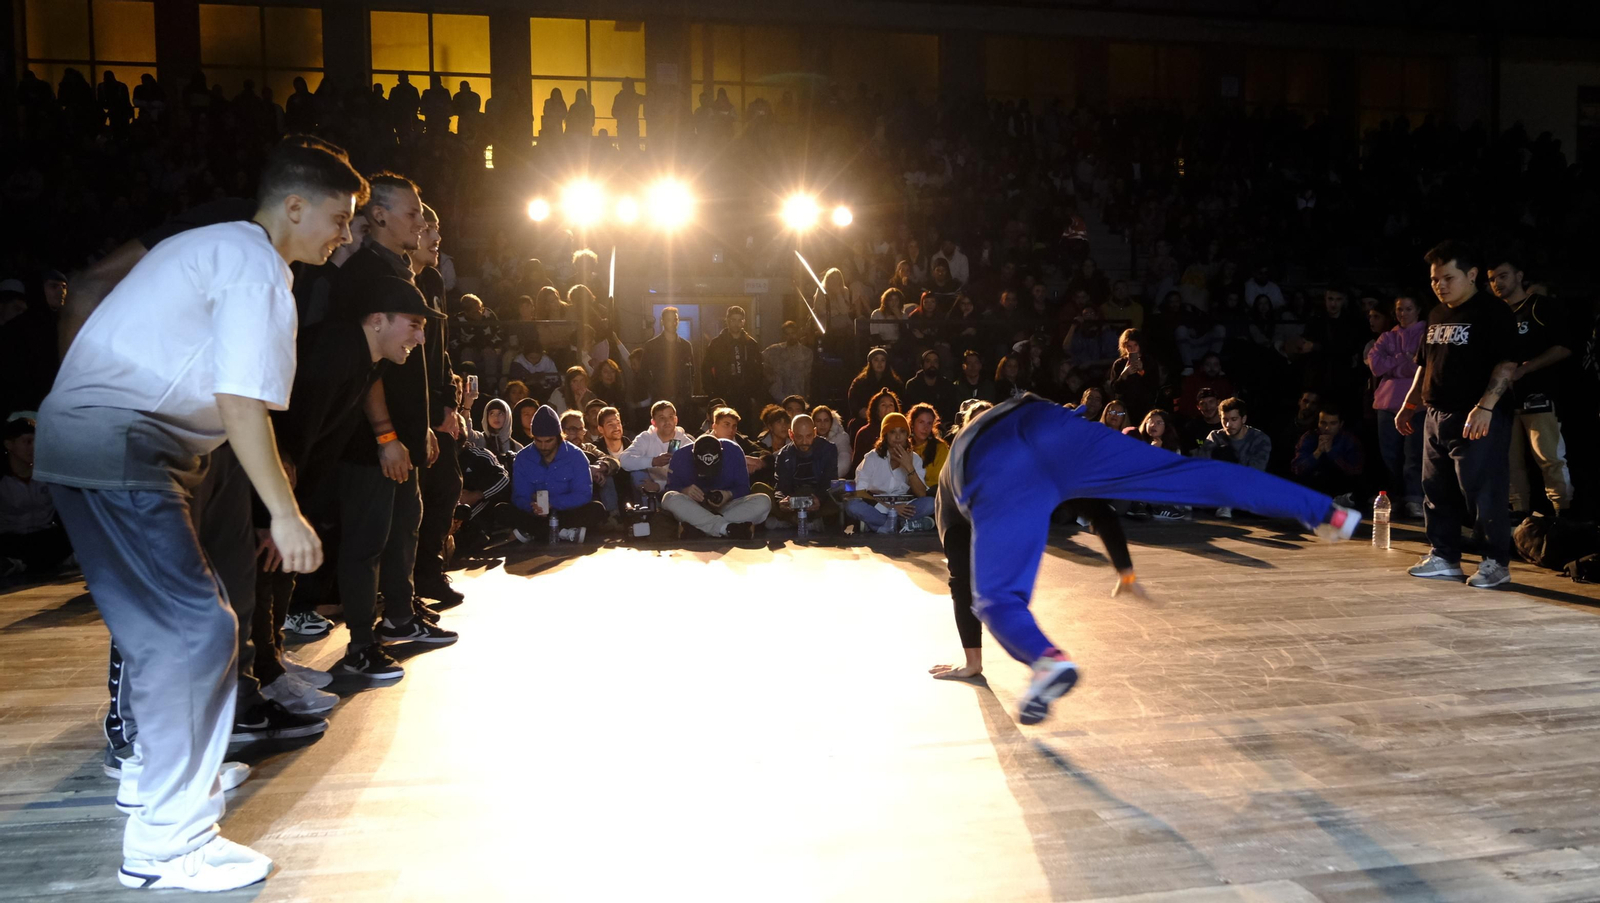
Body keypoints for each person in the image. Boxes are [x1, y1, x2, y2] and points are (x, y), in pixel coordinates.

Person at [33, 138, 366, 892]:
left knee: (166, 633)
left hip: (96, 437)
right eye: (338, 218)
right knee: (195, 628)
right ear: (293, 205)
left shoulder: (213, 247)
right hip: (124, 441)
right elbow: (239, 399)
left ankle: (157, 776)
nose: (342, 234)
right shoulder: (252, 264)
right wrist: (284, 513)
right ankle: (166, 841)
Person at [937, 393, 1361, 724]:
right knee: (1185, 477)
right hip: (1052, 421)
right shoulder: (1014, 418)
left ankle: (1047, 661)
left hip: (992, 464)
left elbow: (961, 576)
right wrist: (1124, 568)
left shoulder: (956, 464)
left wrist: (972, 658)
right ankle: (1328, 512)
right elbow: (1099, 510)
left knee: (994, 596)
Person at [1397, 241, 1518, 588]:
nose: (1440, 285)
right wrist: (1409, 403)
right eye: (1435, 279)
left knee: (1483, 491)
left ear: (1472, 275)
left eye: (1448, 277)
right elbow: (1425, 364)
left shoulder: (1492, 312)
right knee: (1436, 489)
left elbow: (1507, 363)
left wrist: (1485, 407)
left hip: (1476, 416)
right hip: (1436, 414)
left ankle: (1496, 562)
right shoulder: (1435, 314)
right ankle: (1445, 556)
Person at [1488, 255, 1574, 519]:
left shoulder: (1539, 305)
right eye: (1491, 279)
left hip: (1539, 394)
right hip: (1504, 398)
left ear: (1519, 275)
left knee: (1548, 457)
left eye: (1502, 276)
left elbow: (1564, 347)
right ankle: (1520, 515)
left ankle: (1564, 513)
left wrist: (1525, 369)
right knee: (1510, 461)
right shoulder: (1495, 314)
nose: (1497, 283)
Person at [509, 405, 607, 543]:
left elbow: (583, 494)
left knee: (596, 509)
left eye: (548, 441)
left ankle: (536, 532)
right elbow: (519, 495)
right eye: (538, 441)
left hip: (566, 511)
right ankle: (562, 532)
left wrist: (553, 503)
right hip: (535, 514)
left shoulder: (576, 456)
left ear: (559, 437)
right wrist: (533, 507)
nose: (543, 446)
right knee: (502, 510)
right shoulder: (522, 458)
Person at [1367, 294, 1427, 519]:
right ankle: (1396, 497)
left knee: (1414, 454)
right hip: (1387, 402)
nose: (1403, 314)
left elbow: (1421, 367)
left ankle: (1414, 498)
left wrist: (1394, 365)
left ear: (1418, 310)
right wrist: (1404, 359)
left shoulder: (1424, 334)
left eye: (1408, 309)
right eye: (1400, 309)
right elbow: (1376, 365)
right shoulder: (1387, 336)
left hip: (1416, 403)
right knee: (1389, 455)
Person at [662, 434, 772, 539]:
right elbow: (669, 489)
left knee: (764, 501)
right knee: (668, 498)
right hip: (694, 508)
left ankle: (700, 528)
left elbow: (744, 488)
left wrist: (728, 494)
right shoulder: (680, 457)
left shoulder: (734, 451)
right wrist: (684, 491)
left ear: (722, 455)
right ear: (693, 457)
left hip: (723, 509)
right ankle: (727, 528)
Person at [0, 418, 73, 576]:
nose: (34, 447)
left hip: (46, 537)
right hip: (12, 540)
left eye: (37, 442)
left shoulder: (49, 475)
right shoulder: (4, 479)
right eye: (27, 442)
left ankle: (22, 564)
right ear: (9, 445)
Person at [845, 412, 935, 533]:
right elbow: (860, 492)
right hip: (877, 505)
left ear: (907, 435)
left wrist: (909, 467)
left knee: (931, 503)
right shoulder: (872, 457)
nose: (898, 437)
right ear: (885, 435)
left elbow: (921, 494)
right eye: (893, 432)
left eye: (902, 432)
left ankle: (880, 526)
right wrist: (891, 508)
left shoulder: (915, 459)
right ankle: (901, 525)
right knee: (852, 505)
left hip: (904, 507)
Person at [1197, 397, 1271, 519]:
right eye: (1224, 419)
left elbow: (1255, 472)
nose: (1228, 425)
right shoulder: (1215, 436)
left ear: (1244, 419)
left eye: (1233, 419)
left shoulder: (1259, 439)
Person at [772, 414, 839, 530]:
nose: (804, 441)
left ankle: (794, 521)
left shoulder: (828, 449)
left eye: (808, 436)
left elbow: (830, 480)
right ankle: (803, 521)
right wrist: (781, 501)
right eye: (799, 437)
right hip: (794, 498)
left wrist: (820, 498)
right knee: (762, 492)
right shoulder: (784, 454)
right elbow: (781, 485)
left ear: (814, 432)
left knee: (844, 489)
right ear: (791, 435)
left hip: (820, 497)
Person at [702, 305, 765, 423]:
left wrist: (754, 393)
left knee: (744, 428)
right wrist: (712, 393)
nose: (736, 323)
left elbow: (758, 370)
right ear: (727, 321)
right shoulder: (717, 344)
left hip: (745, 396)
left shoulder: (751, 344)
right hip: (723, 394)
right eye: (733, 320)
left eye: (739, 320)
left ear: (744, 322)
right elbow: (706, 369)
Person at [1290, 407, 1364, 504]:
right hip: (1312, 488)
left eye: (1333, 423)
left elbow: (1355, 470)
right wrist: (1318, 452)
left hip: (1341, 489)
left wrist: (1331, 452)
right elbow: (1297, 468)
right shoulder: (1309, 437)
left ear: (1340, 424)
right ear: (1318, 423)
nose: (1327, 428)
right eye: (1323, 423)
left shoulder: (1348, 440)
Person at [618, 400, 692, 494]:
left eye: (670, 417)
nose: (667, 421)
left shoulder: (685, 442)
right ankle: (649, 508)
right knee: (637, 475)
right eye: (662, 418)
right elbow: (624, 460)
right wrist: (653, 461)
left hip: (676, 490)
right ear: (653, 422)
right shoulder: (646, 438)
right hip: (650, 486)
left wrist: (660, 486)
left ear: (676, 420)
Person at [638, 307, 696, 419]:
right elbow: (644, 373)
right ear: (662, 321)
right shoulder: (652, 346)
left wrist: (687, 394)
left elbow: (691, 372)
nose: (673, 323)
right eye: (669, 319)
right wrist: (654, 391)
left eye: (675, 319)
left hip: (682, 401)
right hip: (659, 398)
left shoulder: (685, 346)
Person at [846, 347, 903, 431]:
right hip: (864, 420)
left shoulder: (895, 383)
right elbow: (853, 401)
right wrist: (860, 410)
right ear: (870, 362)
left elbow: (901, 402)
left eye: (882, 360)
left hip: (889, 419)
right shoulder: (859, 382)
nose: (879, 363)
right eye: (876, 360)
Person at [851, 389, 901, 476]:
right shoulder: (864, 433)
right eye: (883, 405)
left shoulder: (901, 431)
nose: (888, 408)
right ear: (876, 409)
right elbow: (857, 464)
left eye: (891, 405)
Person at [763, 320, 813, 404]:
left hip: (799, 396)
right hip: (778, 396)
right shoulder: (775, 350)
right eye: (787, 334)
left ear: (797, 333)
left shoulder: (806, 353)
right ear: (784, 335)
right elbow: (759, 360)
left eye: (793, 333)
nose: (791, 336)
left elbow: (808, 376)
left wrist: (808, 395)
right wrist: (770, 378)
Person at [901, 349, 956, 424]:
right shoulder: (913, 385)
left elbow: (950, 412)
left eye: (935, 361)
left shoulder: (947, 386)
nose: (932, 364)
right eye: (928, 361)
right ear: (922, 364)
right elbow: (909, 410)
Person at [907, 403, 951, 487]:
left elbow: (939, 480)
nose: (925, 427)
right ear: (912, 423)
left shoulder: (940, 448)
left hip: (930, 494)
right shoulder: (904, 446)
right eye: (921, 422)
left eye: (929, 423)